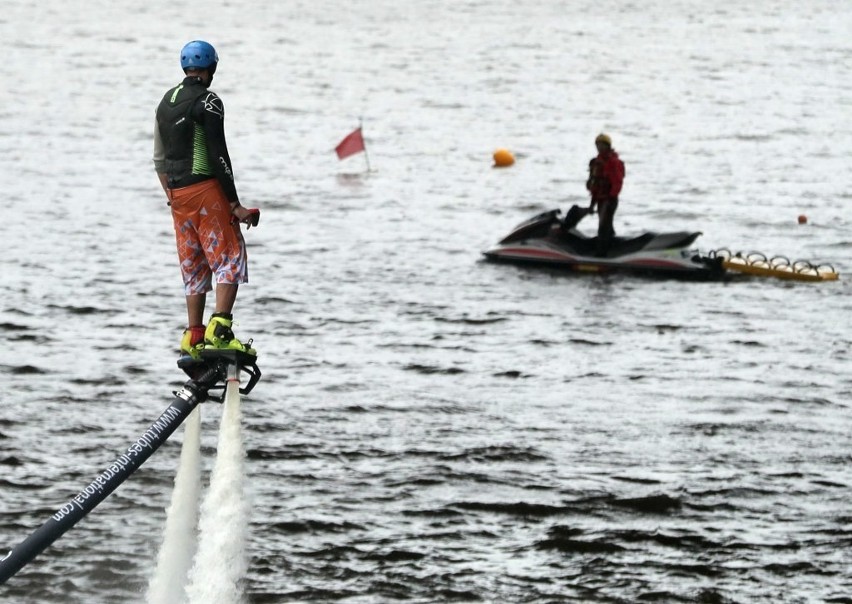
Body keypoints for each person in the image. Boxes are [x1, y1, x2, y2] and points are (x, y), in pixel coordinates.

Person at [153, 40, 260, 358]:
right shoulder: (209, 101)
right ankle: (220, 329)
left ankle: (193, 335)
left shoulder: (165, 102)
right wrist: (234, 204)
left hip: (176, 194)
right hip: (206, 190)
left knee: (194, 263)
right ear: (211, 68)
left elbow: (159, 159)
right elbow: (218, 154)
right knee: (230, 256)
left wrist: (172, 196)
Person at [586, 133, 625, 255]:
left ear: (608, 146)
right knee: (606, 226)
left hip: (610, 199)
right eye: (597, 145)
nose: (599, 147)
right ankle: (612, 247)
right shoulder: (596, 162)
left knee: (603, 226)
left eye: (602, 145)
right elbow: (595, 185)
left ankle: (601, 254)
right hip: (600, 199)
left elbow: (617, 182)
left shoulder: (614, 162)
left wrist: (611, 198)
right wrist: (592, 204)